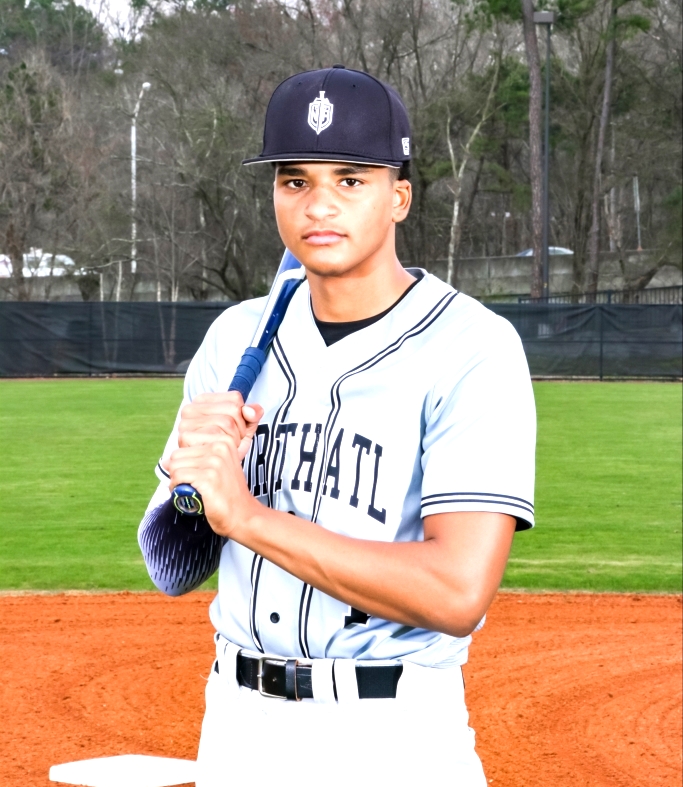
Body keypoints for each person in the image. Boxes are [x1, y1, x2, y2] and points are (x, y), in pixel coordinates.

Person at [138, 65, 536, 787]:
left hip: (388, 736)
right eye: (295, 181)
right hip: (237, 724)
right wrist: (190, 482)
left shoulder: (472, 348)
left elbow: (455, 591)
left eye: (350, 179)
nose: (319, 204)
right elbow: (174, 564)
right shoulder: (235, 341)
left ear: (399, 197)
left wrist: (248, 516)